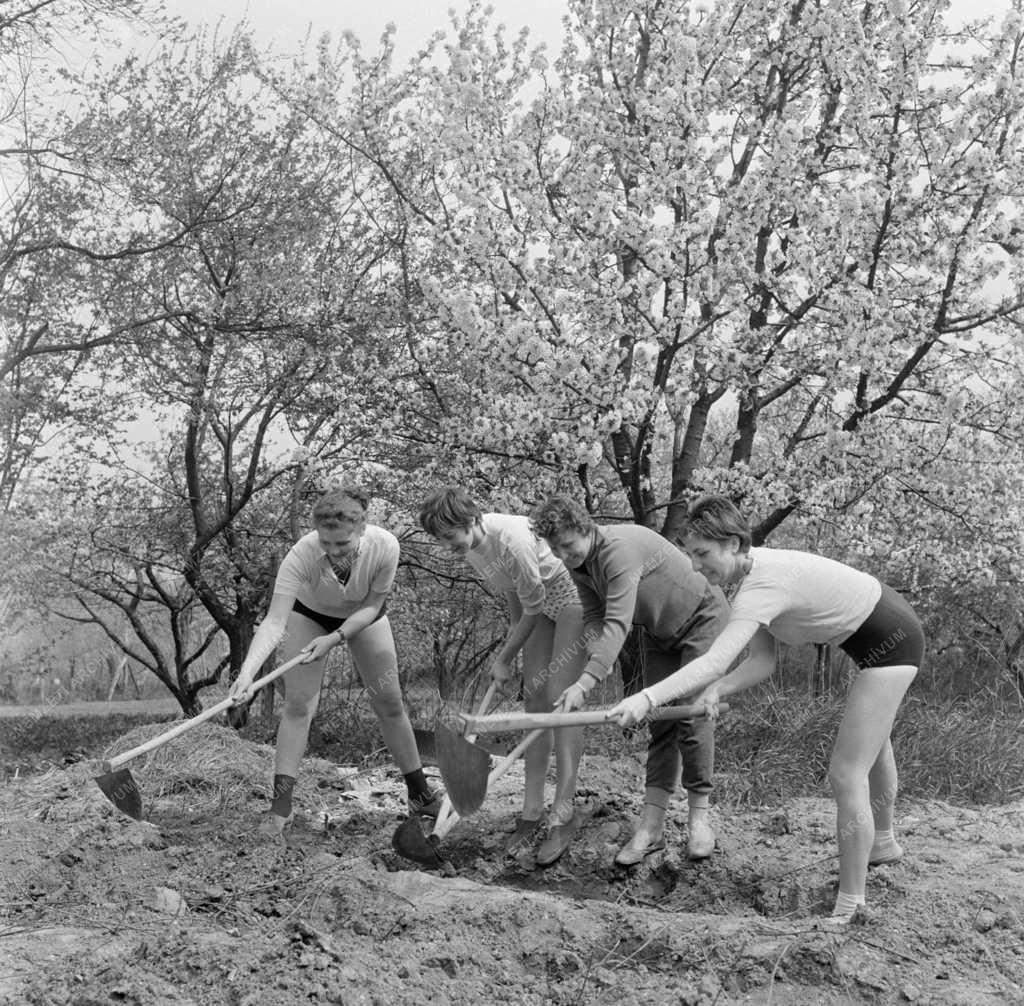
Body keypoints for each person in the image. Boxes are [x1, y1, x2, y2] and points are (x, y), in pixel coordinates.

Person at [606, 494, 924, 923]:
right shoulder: (755, 579)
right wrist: (720, 689)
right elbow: (762, 662)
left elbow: (715, 658)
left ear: (735, 544)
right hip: (880, 634)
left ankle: (851, 907)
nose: (697, 566)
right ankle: (882, 843)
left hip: (892, 642)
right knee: (874, 743)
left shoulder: (761, 586)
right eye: (691, 555)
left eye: (703, 554)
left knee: (847, 772)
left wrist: (645, 697)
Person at [530, 494, 730, 865]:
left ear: (585, 527)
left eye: (568, 545)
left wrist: (585, 682)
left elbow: (619, 621)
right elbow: (595, 616)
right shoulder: (581, 566)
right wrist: (592, 657)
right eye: (555, 549)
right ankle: (651, 826)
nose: (563, 555)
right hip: (660, 634)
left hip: (703, 618)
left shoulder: (618, 551)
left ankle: (699, 817)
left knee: (690, 715)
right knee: (657, 721)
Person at [230, 485, 440, 836]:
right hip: (309, 615)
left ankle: (419, 794)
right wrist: (247, 675)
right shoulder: (300, 555)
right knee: (298, 707)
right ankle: (280, 808)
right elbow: (275, 622)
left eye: (342, 544)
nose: (333, 552)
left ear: (362, 529)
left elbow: (373, 605)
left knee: (389, 702)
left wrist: (336, 637)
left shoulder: (386, 546)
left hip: (364, 616)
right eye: (325, 544)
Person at [419, 488, 588, 865]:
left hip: (572, 596)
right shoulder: (474, 548)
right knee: (535, 701)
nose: (447, 547)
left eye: (450, 536)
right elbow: (517, 597)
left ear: (472, 520)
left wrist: (504, 656)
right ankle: (531, 810)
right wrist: (517, 654)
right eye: (440, 540)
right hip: (537, 608)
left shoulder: (511, 538)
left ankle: (564, 810)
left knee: (562, 700)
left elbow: (532, 599)